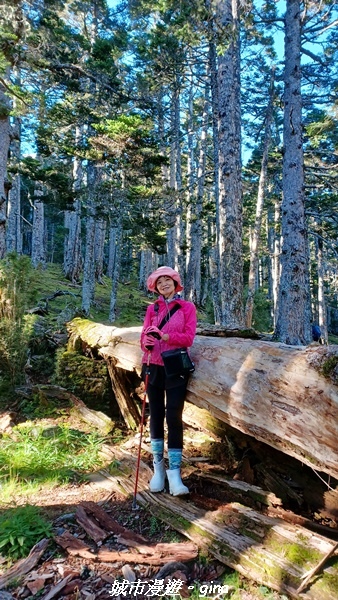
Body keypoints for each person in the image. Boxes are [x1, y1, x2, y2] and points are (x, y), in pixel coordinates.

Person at [140, 266, 197, 496]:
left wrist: (165, 336)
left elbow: (189, 337)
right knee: (155, 415)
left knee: (174, 416)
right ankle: (158, 470)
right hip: (152, 364)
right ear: (155, 286)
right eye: (159, 281)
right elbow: (144, 336)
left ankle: (175, 473)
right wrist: (148, 343)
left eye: (168, 280)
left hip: (175, 367)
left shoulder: (186, 307)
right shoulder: (151, 308)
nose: (164, 284)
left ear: (176, 283)